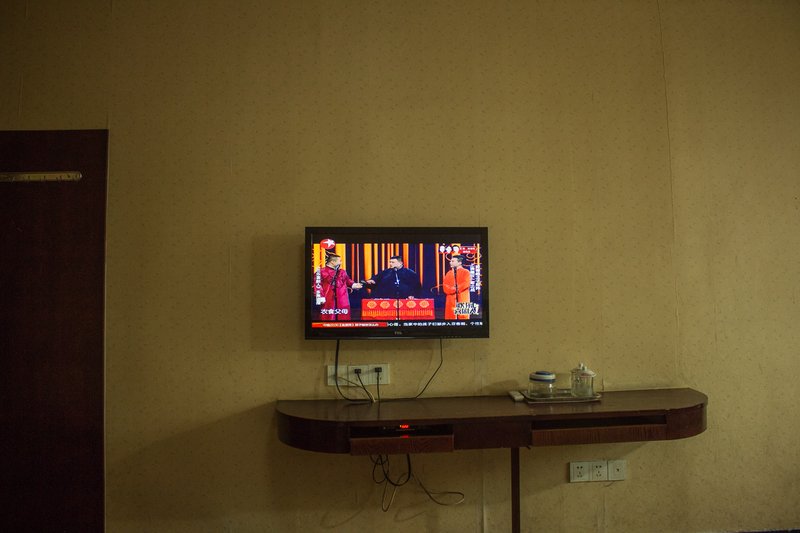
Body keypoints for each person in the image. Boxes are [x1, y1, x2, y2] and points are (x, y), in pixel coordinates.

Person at [316, 254, 362, 321]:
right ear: (332, 262)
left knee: (343, 317)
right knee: (328, 317)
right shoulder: (321, 272)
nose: (341, 262)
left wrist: (354, 285)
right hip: (328, 298)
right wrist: (320, 297)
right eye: (339, 261)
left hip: (342, 299)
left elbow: (347, 281)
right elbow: (317, 285)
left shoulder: (342, 272)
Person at [442, 255, 471, 319]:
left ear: (460, 262)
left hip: (462, 297)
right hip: (450, 299)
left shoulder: (466, 272)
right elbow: (445, 286)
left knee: (463, 317)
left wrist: (455, 289)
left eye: (453, 261)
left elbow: (466, 283)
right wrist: (452, 289)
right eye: (450, 261)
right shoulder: (448, 273)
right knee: (450, 316)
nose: (450, 262)